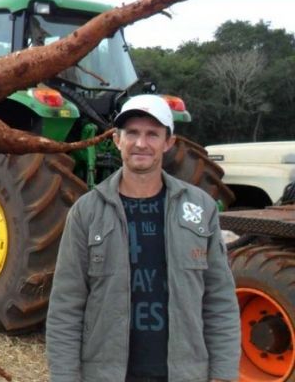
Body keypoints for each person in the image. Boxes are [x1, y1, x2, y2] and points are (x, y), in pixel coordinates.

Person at [45, 94, 240, 382]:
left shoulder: (200, 208)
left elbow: (219, 300)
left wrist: (223, 374)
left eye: (152, 134)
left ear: (168, 142)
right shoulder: (86, 213)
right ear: (117, 140)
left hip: (184, 374)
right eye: (132, 133)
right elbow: (66, 306)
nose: (141, 143)